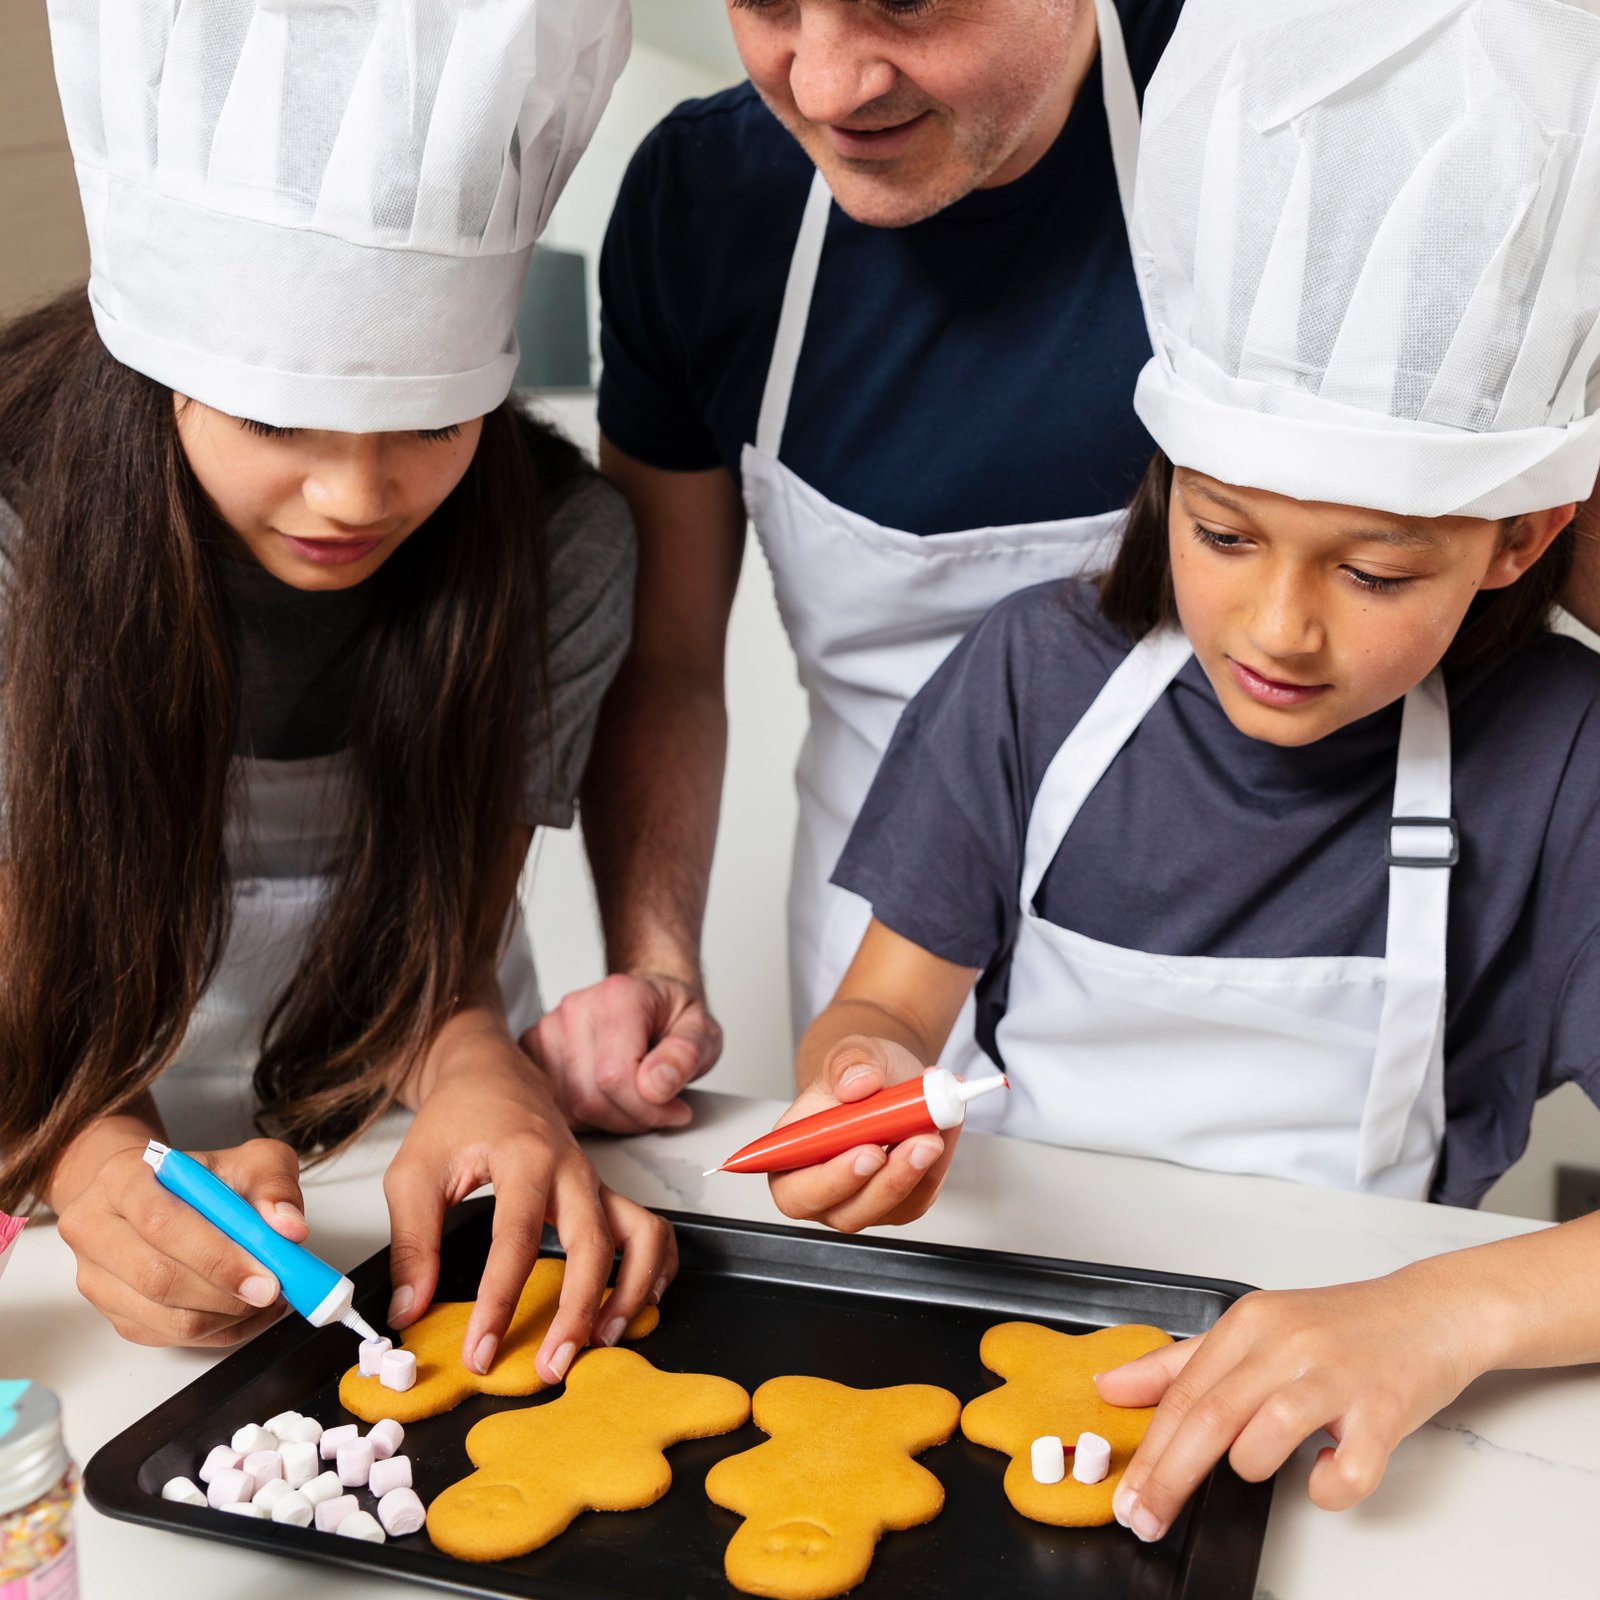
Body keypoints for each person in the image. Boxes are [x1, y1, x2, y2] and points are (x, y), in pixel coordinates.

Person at [765, 0, 1600, 1538]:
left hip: (1373, 1433)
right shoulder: (1030, 675)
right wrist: (861, 1075)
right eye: (1223, 536)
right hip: (998, 1357)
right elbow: (889, 1001)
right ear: (1164, 482)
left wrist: (1443, 1315)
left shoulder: (1561, 768)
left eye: (1376, 572)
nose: (1280, 628)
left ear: (1521, 539)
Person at [0, 0, 670, 1383]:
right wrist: (91, 1159)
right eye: (277, 419)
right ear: (160, 370)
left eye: (432, 422)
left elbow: (440, 963)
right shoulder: (18, 539)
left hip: (378, 1177)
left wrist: (486, 1071)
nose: (357, 498)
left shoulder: (557, 549)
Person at [525, 0, 1191, 1133]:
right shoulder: (704, 204)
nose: (827, 87)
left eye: (908, 3)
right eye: (771, 4)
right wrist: (657, 961)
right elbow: (672, 656)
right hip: (871, 988)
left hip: (1261, 985)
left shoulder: (1269, 126)